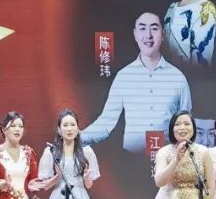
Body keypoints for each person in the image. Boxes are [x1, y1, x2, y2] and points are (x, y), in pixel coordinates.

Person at [81, 11, 194, 153]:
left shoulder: (178, 78)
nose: (148, 35)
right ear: (135, 34)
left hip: (169, 159)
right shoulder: (123, 76)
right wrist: (77, 138)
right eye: (142, 28)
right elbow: (106, 122)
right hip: (131, 159)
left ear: (163, 34)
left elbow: (187, 124)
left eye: (154, 28)